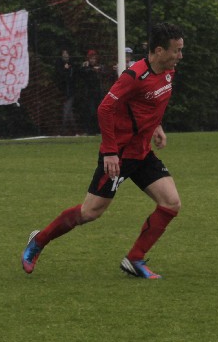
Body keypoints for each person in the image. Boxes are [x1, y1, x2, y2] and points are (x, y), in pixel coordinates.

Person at [21, 23, 185, 280]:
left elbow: (149, 104)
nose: (180, 56)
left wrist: (157, 126)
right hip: (119, 155)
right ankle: (39, 240)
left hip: (142, 154)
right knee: (90, 212)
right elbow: (105, 109)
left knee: (171, 203)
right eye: (176, 50)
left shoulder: (168, 72)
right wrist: (110, 152)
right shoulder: (134, 76)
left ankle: (135, 259)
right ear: (159, 50)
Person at [76, 49, 110, 135]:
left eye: (94, 58)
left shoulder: (100, 67)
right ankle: (90, 130)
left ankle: (98, 130)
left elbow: (106, 73)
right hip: (89, 94)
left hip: (98, 93)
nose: (92, 60)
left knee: (99, 111)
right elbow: (81, 73)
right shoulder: (86, 67)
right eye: (91, 58)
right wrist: (88, 68)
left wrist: (99, 70)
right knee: (91, 111)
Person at [57, 49, 77, 135]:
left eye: (66, 53)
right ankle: (75, 131)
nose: (65, 55)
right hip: (64, 92)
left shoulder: (72, 65)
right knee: (69, 112)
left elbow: (71, 78)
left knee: (66, 110)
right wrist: (64, 69)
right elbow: (60, 77)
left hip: (70, 92)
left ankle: (63, 130)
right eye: (63, 53)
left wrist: (67, 69)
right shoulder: (59, 65)